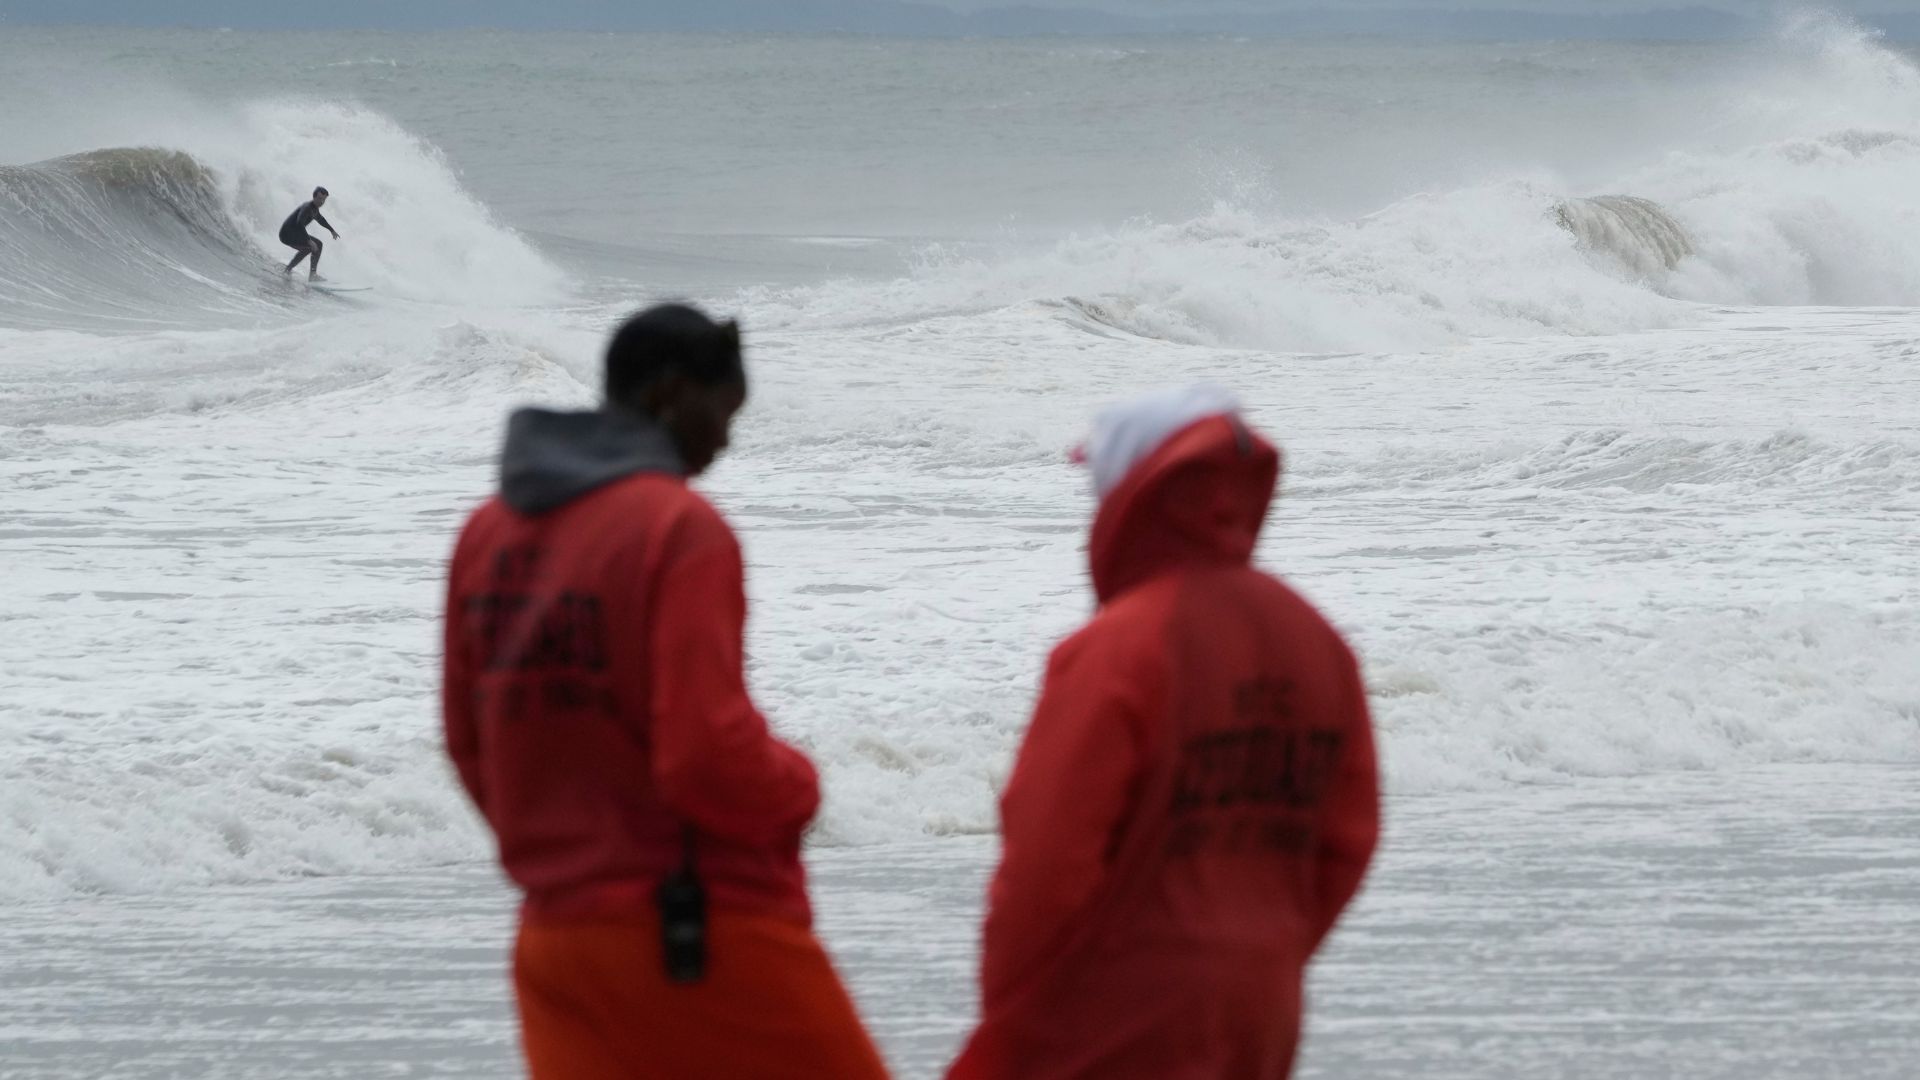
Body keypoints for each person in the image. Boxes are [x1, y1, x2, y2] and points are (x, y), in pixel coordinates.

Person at [441, 304, 890, 1080]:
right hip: (695, 931)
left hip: (555, 945)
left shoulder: (488, 533)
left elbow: (468, 739)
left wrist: (562, 853)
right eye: (723, 412)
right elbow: (705, 755)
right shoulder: (676, 528)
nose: (726, 440)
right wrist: (800, 787)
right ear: (672, 395)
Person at [947, 385, 1380, 1080]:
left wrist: (1012, 1011)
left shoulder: (1121, 648)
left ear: (1135, 491)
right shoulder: (1316, 639)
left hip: (1112, 1017)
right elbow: (1348, 837)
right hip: (1260, 1005)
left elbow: (1045, 864)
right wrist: (1269, 946)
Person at [280, 186, 339, 279]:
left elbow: (321, 220)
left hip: (294, 233)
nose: (322, 202)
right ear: (314, 197)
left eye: (324, 199)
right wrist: (309, 241)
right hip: (287, 234)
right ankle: (311, 275)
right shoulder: (307, 207)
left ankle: (289, 270)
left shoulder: (314, 209)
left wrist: (332, 230)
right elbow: (299, 223)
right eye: (320, 198)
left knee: (311, 247)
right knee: (315, 245)